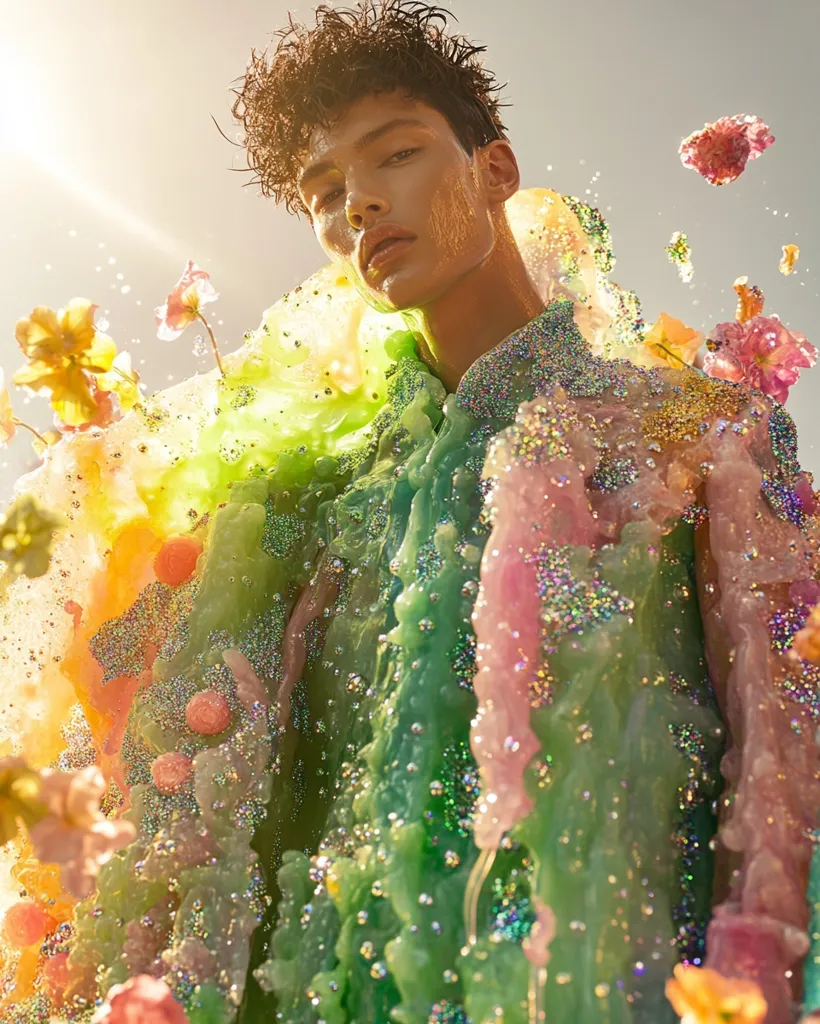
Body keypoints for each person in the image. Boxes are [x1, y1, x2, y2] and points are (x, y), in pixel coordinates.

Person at [0, 2, 816, 1023]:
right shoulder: (304, 500)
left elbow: (785, 759)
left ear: (495, 170)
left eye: (394, 154)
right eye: (327, 193)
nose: (360, 207)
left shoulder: (699, 434)